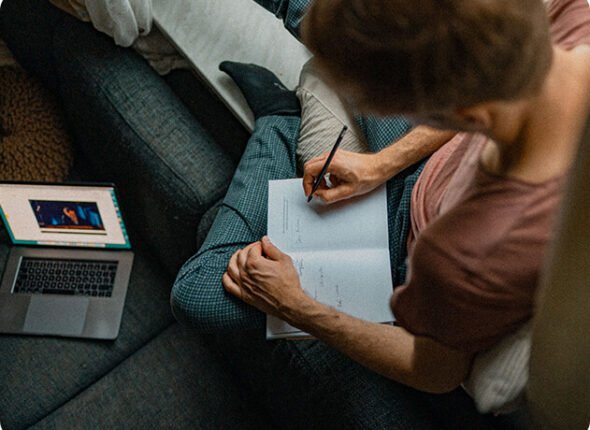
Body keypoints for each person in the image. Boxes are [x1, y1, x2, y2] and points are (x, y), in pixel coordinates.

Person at [171, 0, 590, 424]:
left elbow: (436, 371)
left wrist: (295, 305)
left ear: (459, 112)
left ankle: (278, 121)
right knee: (342, 20)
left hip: (401, 246)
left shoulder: (464, 257)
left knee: (198, 296)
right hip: (425, 166)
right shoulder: (574, 16)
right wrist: (382, 164)